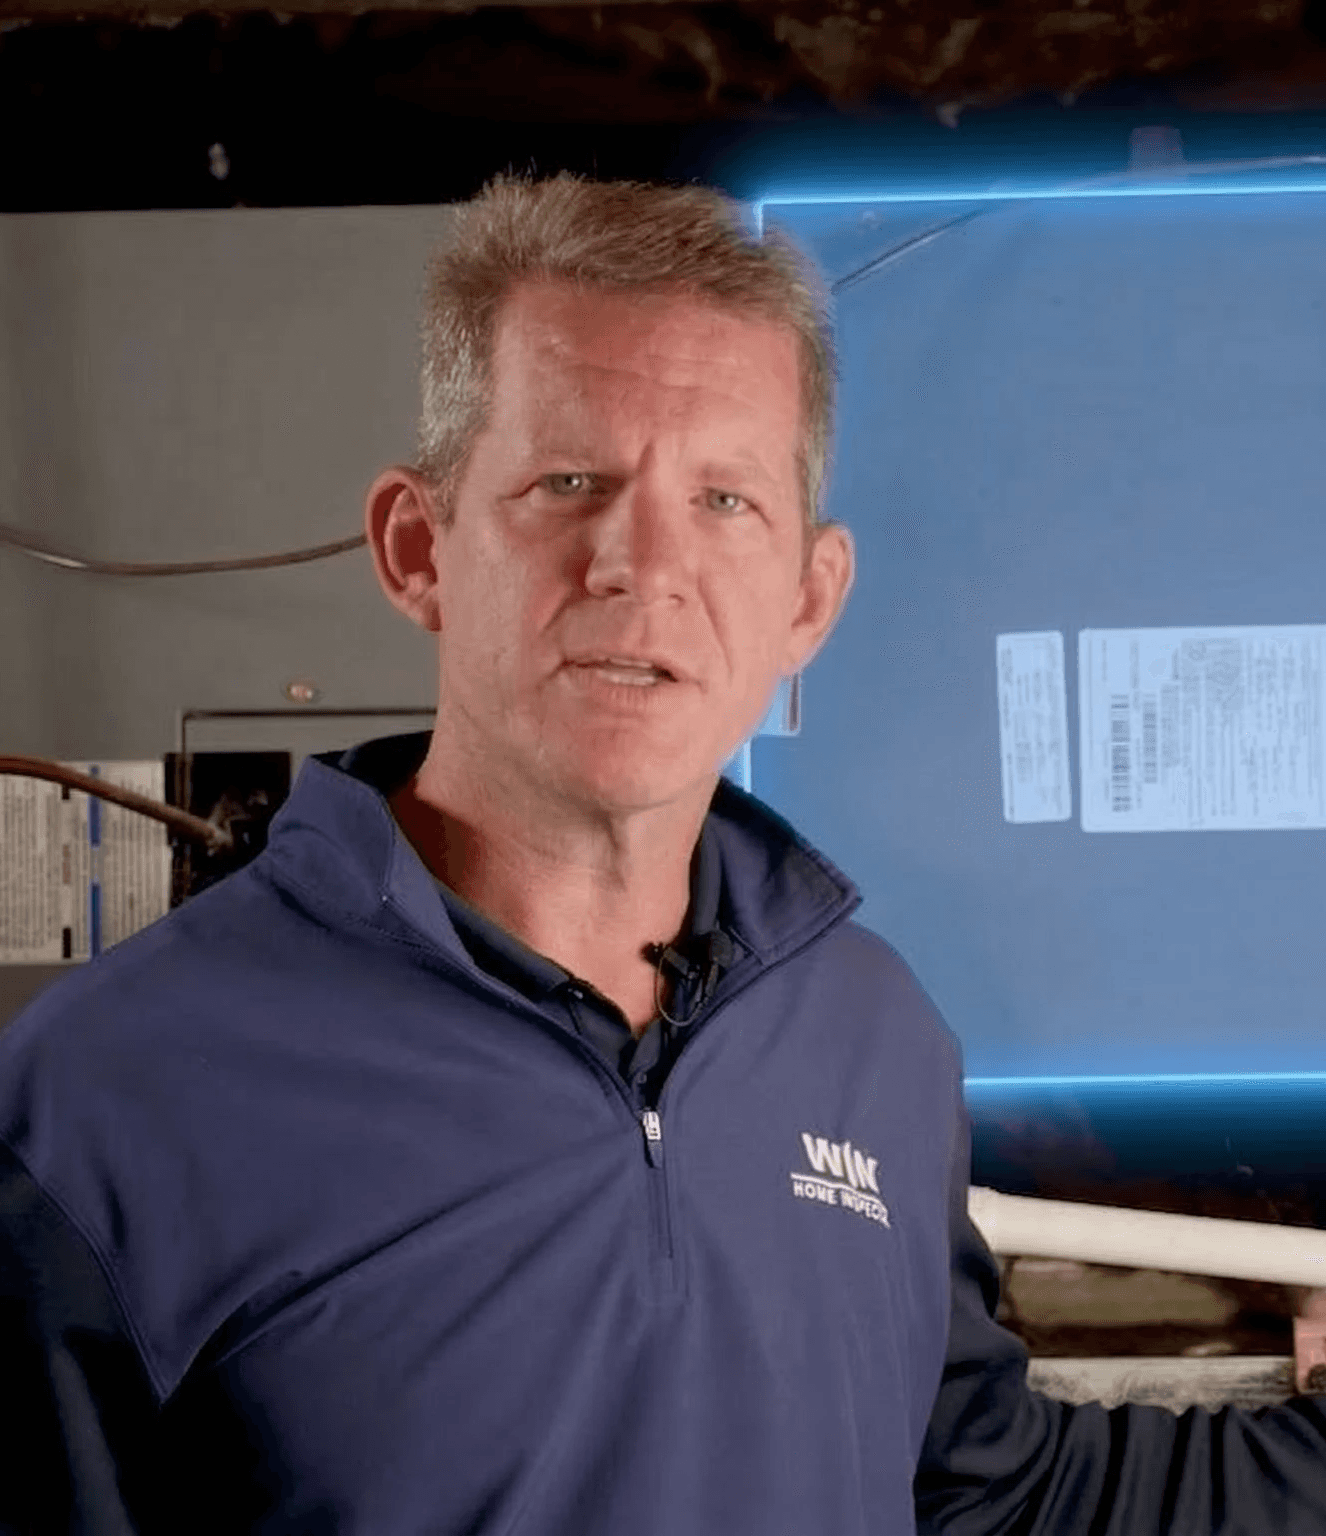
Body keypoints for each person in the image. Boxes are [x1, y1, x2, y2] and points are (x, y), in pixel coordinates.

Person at [2, 170, 1324, 1536]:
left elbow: (984, 1498)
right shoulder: (105, 1102)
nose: (641, 564)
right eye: (569, 482)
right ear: (418, 550)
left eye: (725, 500)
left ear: (809, 600)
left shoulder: (871, 1041)